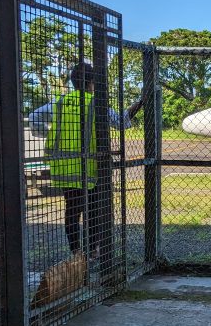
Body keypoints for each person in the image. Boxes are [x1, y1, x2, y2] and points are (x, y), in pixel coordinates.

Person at [39, 62, 142, 266]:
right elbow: (121, 121)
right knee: (93, 210)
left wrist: (48, 133)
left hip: (65, 168)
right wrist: (140, 102)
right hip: (91, 168)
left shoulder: (59, 102)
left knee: (72, 209)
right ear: (93, 82)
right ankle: (91, 251)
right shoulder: (97, 104)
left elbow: (35, 118)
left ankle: (76, 251)